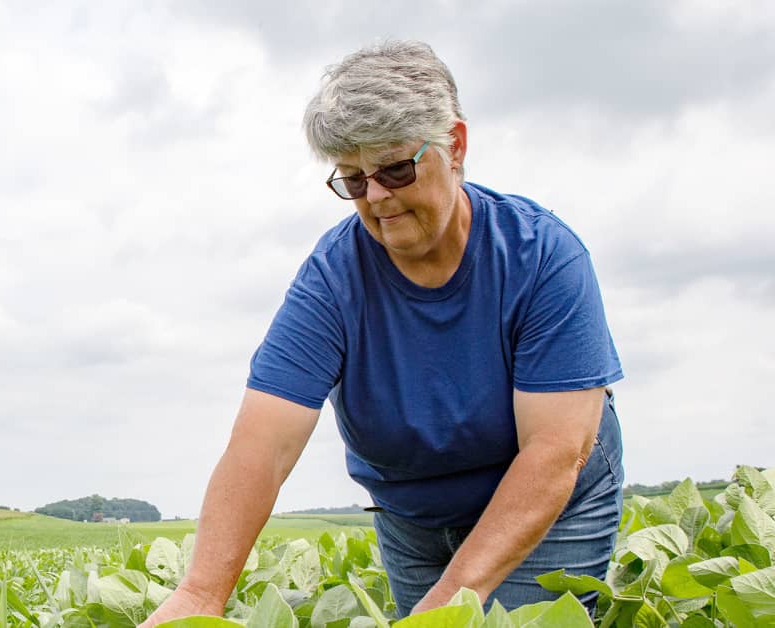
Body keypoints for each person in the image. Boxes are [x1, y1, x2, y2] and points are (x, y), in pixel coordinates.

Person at [140, 40, 623, 625]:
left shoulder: (543, 256)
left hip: (548, 505)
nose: (376, 197)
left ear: (456, 146)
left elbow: (554, 452)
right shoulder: (332, 278)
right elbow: (263, 445)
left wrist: (442, 609)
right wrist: (198, 595)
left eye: (395, 169)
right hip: (414, 520)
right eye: (353, 179)